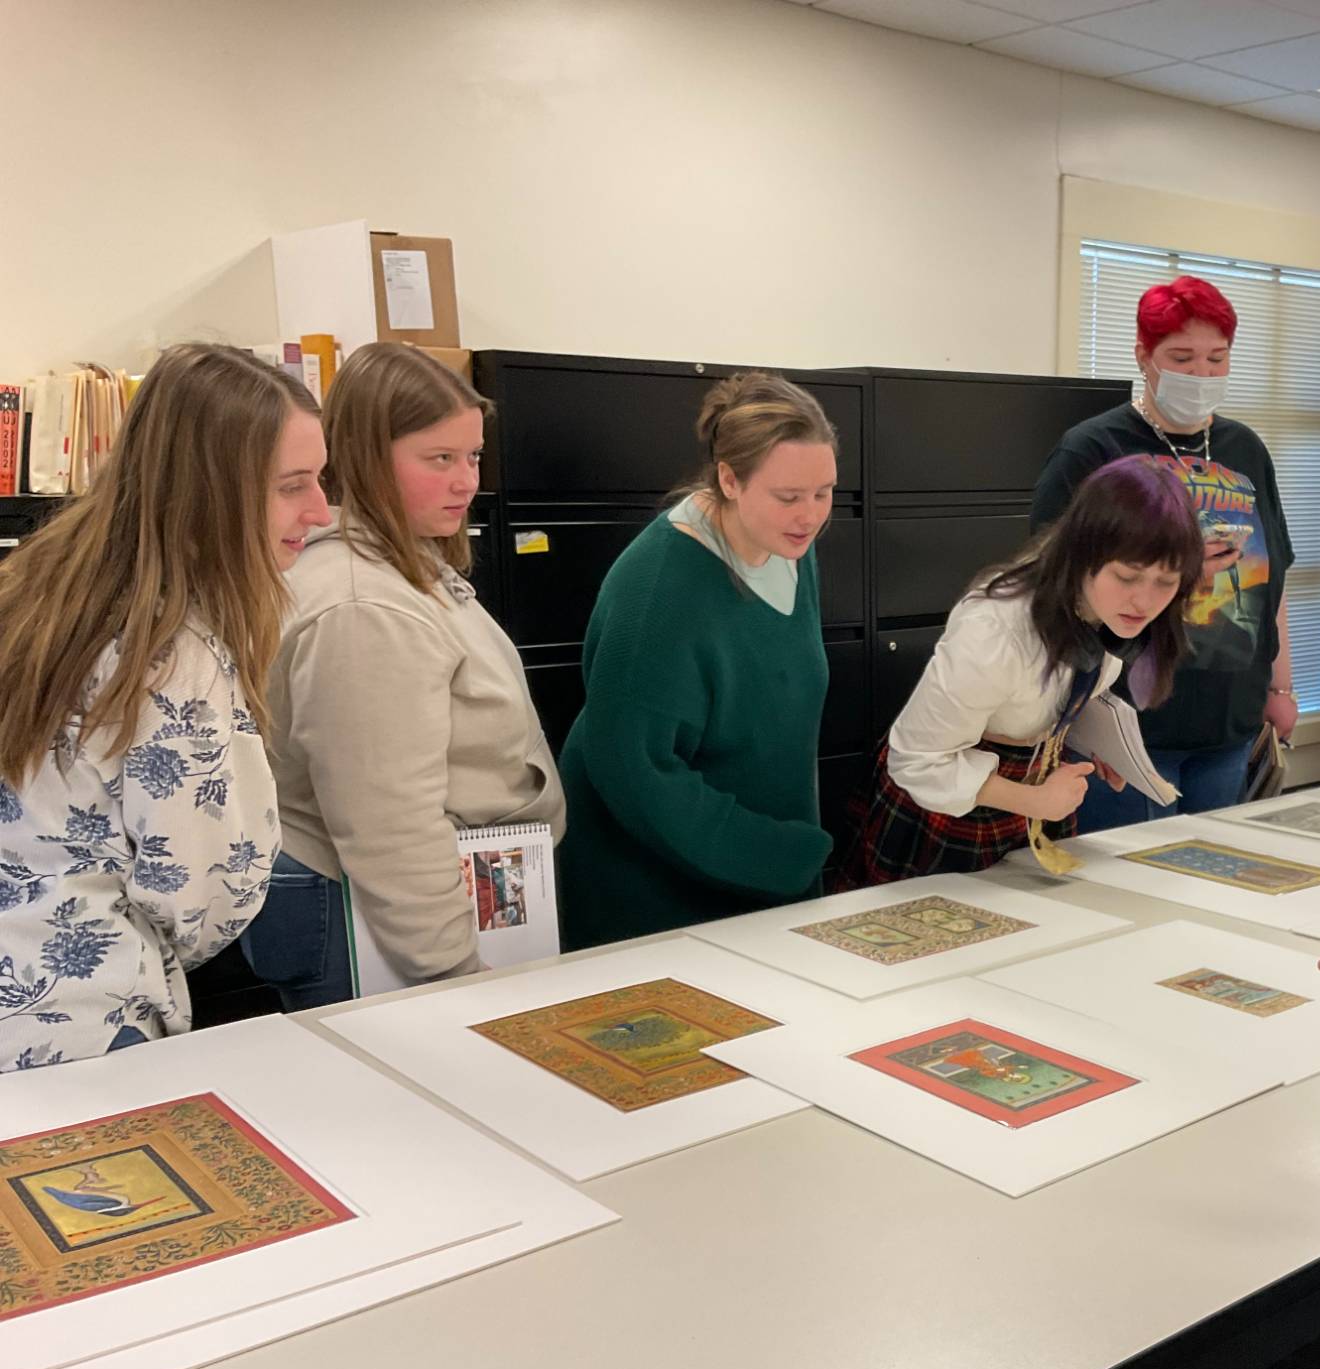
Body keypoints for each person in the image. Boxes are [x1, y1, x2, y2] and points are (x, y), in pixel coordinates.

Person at [0, 344, 328, 1068]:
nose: (321, 509)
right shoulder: (177, 655)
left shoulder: (36, 592)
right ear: (212, 490)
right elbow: (208, 890)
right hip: (86, 1024)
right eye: (292, 485)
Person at [243, 343, 564, 1006]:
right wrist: (452, 975)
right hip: (367, 913)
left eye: (472, 456)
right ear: (364, 455)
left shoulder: (400, 568)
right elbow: (386, 820)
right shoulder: (365, 607)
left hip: (414, 895)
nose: (466, 481)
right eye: (438, 459)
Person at [557, 372, 836, 947]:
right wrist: (778, 854)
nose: (809, 515)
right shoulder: (660, 588)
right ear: (730, 480)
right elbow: (636, 771)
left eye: (823, 492)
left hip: (756, 872)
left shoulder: (788, 546)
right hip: (652, 889)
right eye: (788, 497)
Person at [839, 455, 1203, 888]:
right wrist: (1033, 798)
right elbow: (915, 761)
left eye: (1166, 583)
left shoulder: (1105, 606)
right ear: (1083, 554)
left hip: (1032, 793)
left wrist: (1100, 745)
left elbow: (1060, 691)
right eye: (1127, 577)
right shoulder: (995, 630)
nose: (1144, 602)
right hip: (943, 807)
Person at [1031, 275, 1296, 829]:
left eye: (1217, 358)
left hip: (1229, 721)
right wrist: (1174, 572)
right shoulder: (1094, 449)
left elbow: (1273, 580)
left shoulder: (1245, 449)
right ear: (1144, 357)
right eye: (1182, 357)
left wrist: (1280, 686)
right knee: (1128, 885)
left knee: (1214, 882)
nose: (1202, 374)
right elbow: (1052, 584)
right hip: (1127, 725)